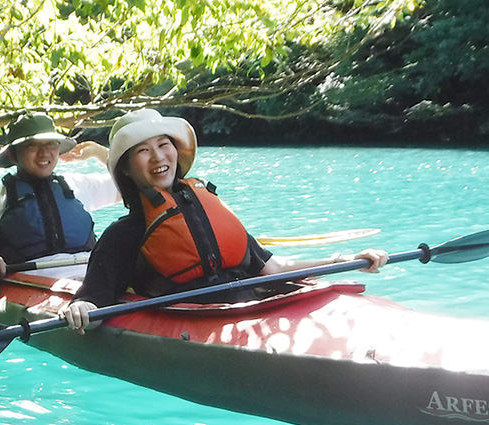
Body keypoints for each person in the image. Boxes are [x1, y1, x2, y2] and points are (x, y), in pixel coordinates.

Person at [62, 108, 387, 332]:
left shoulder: (209, 208)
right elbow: (93, 300)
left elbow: (273, 269)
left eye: (164, 145)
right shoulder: (124, 235)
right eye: (144, 151)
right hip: (203, 322)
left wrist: (343, 260)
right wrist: (81, 308)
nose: (160, 157)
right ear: (127, 169)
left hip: (258, 306)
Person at [0, 112, 119, 280]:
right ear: (12, 154)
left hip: (92, 282)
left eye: (51, 144)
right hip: (31, 288)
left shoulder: (79, 185)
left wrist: (99, 153)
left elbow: (132, 186)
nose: (44, 153)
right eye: (32, 145)